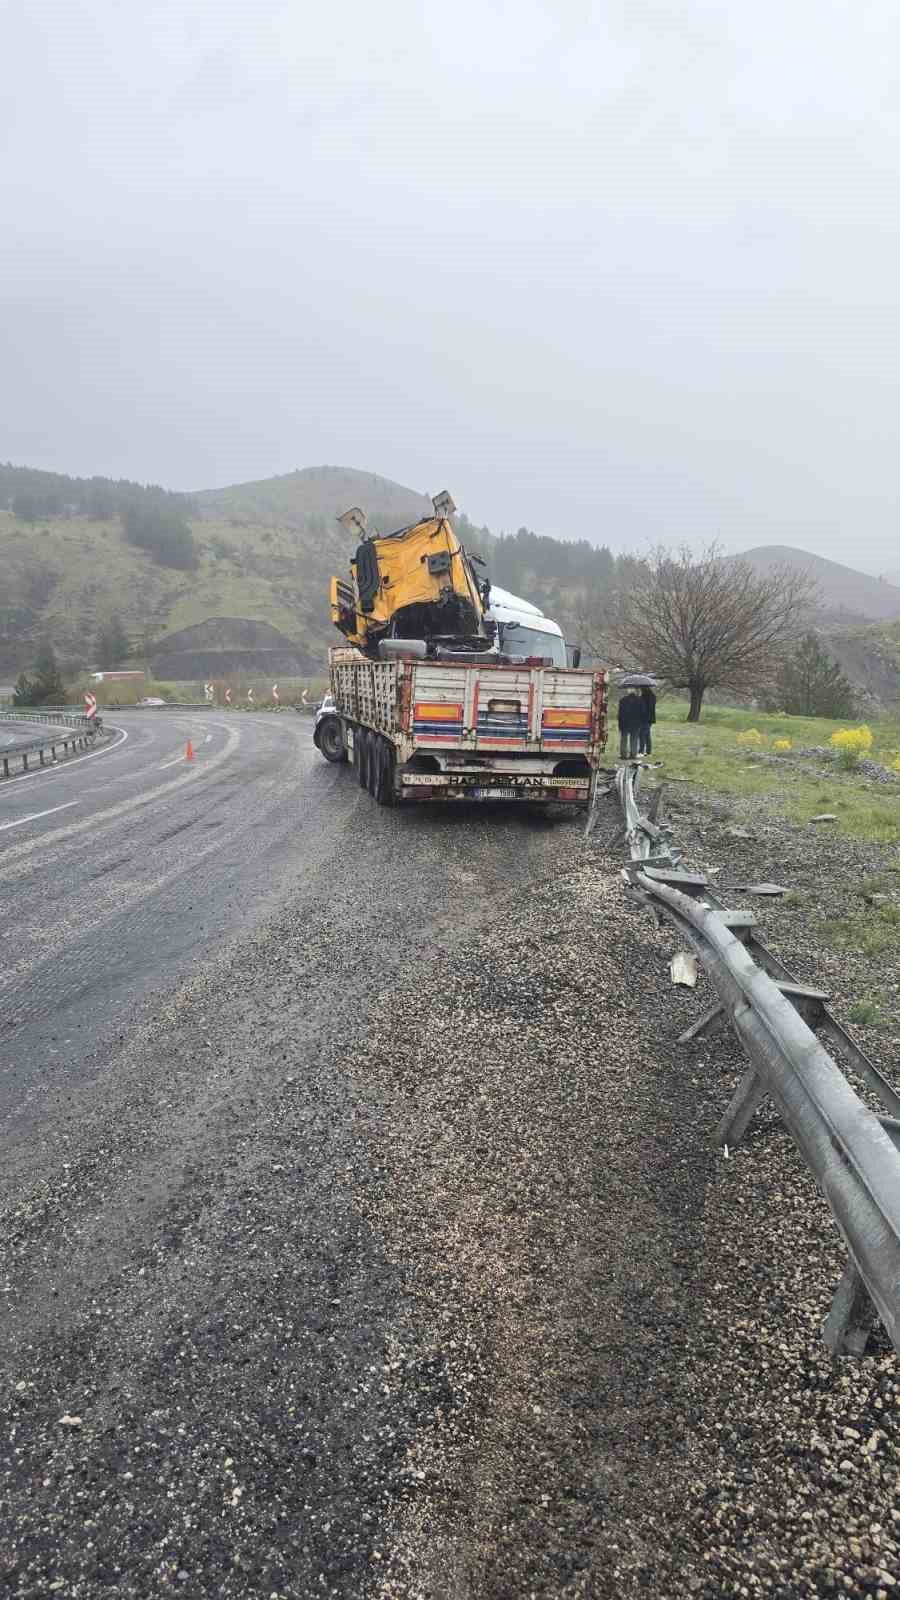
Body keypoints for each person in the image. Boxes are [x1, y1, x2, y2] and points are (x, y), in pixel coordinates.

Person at [617, 688, 642, 759]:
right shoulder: (639, 700)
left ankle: (623, 755)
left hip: (624, 723)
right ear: (635, 692)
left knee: (623, 739)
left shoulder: (622, 700)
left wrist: (620, 723)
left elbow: (620, 713)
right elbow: (642, 712)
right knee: (634, 739)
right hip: (636, 723)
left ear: (628, 692)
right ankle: (633, 754)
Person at [638, 685, 656, 755]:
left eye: (641, 689)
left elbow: (643, 708)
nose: (640, 690)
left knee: (642, 734)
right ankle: (648, 751)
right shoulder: (652, 696)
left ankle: (641, 751)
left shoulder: (644, 697)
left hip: (645, 718)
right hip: (650, 718)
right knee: (647, 735)